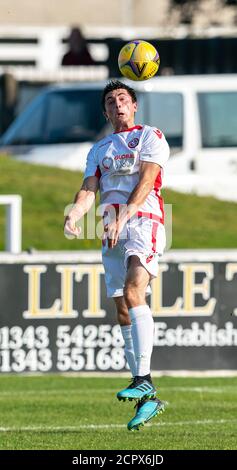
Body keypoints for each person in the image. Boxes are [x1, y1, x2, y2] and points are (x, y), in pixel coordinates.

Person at [64, 80, 169, 431]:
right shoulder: (100, 149)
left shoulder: (150, 136)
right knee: (122, 307)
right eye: (110, 101)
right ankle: (147, 396)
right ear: (105, 112)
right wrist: (76, 213)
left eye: (123, 99)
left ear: (134, 105)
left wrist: (124, 214)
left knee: (133, 291)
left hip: (143, 220)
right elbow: (89, 187)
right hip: (110, 229)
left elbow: (147, 179)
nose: (117, 104)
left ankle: (144, 379)